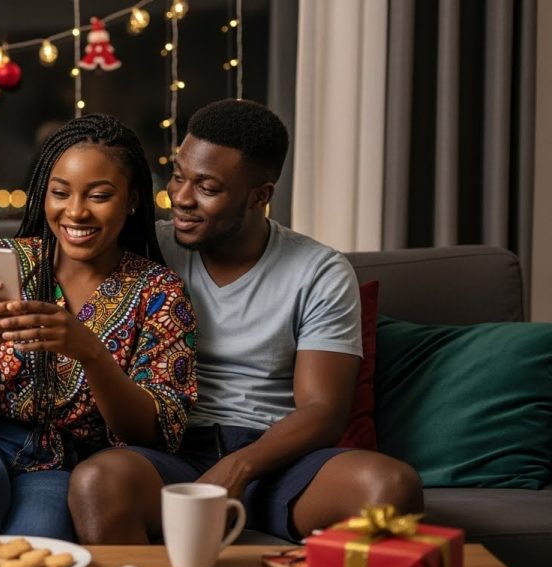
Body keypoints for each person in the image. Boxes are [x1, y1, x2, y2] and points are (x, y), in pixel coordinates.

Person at [65, 99, 423, 543]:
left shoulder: (319, 271)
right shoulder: (147, 248)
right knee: (97, 481)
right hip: (170, 453)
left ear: (260, 195)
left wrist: (237, 468)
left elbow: (324, 411)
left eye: (207, 187)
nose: (181, 197)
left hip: (278, 460)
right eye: (178, 176)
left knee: (390, 487)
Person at [0, 113, 198, 544]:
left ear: (132, 199)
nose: (75, 211)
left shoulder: (158, 292)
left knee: (38, 539)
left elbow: (153, 432)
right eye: (60, 193)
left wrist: (91, 354)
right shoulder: (1, 260)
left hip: (59, 465)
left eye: (99, 195)